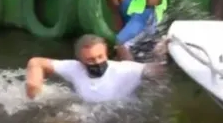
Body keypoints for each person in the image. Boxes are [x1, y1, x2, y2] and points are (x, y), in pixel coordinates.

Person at [25, 35, 165, 103]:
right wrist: (34, 85)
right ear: (80, 61)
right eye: (90, 60)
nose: (97, 62)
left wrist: (162, 54)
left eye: (100, 57)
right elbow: (36, 62)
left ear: (106, 54)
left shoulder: (125, 70)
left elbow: (159, 72)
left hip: (121, 118)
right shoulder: (74, 68)